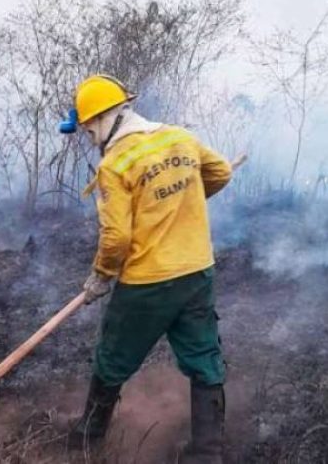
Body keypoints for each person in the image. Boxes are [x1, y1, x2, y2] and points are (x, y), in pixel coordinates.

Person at [59, 74, 233, 464]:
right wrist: (178, 203)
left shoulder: (115, 163)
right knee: (205, 357)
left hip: (147, 283)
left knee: (112, 356)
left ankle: (87, 440)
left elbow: (117, 238)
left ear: (100, 120)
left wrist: (101, 275)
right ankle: (207, 454)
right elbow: (220, 172)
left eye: (87, 130)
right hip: (197, 272)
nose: (89, 137)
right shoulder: (180, 137)